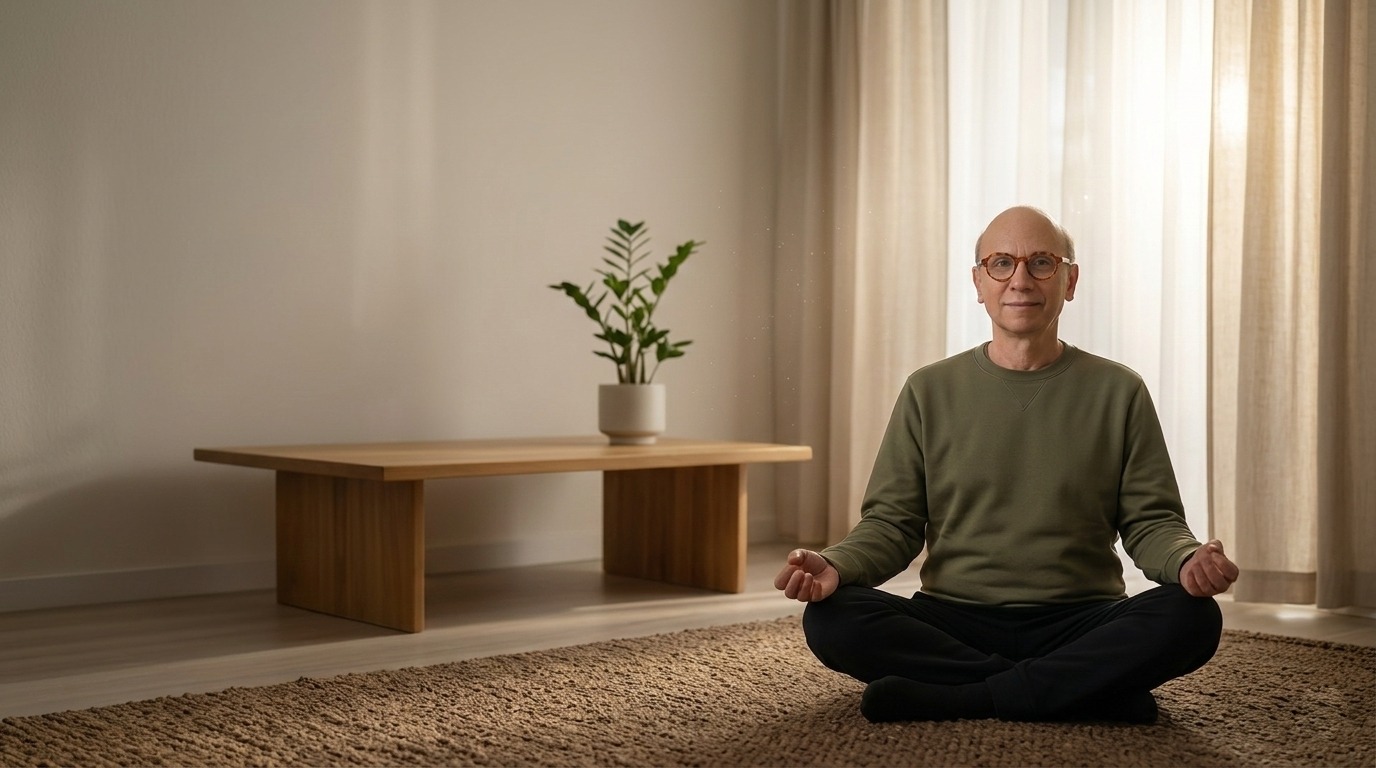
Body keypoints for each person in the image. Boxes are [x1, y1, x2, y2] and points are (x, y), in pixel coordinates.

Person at [774, 205, 1240, 724]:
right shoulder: (928, 390)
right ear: (979, 282)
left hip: (1081, 617)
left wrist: (1187, 559)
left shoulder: (1119, 390)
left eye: (1042, 262)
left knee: (1191, 618)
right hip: (953, 617)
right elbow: (893, 523)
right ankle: (1079, 690)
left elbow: (1152, 522)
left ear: (1070, 280)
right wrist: (836, 565)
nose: (1020, 279)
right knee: (833, 619)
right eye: (1001, 263)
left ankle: (962, 696)